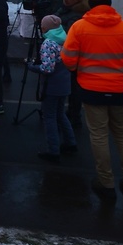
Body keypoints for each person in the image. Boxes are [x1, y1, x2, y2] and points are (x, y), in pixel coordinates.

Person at [61, 0, 123, 202]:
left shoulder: (79, 27)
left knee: (99, 136)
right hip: (119, 89)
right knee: (122, 133)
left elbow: (68, 58)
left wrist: (78, 70)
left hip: (91, 89)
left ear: (91, 5)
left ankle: (106, 182)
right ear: (110, 4)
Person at [30, 14, 76, 162]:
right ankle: (70, 142)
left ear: (46, 28)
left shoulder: (48, 43)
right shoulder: (65, 39)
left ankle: (53, 150)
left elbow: (47, 69)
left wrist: (32, 67)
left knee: (49, 117)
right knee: (60, 114)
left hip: (52, 87)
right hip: (65, 84)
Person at [56, 0, 90, 127]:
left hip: (74, 56)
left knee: (74, 88)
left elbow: (68, 34)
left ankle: (74, 115)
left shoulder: (77, 15)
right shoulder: (66, 10)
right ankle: (71, 114)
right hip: (67, 53)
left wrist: (54, 28)